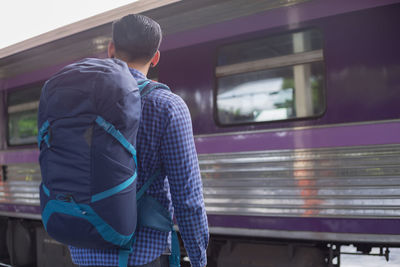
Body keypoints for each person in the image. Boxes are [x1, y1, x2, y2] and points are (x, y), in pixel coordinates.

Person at [68, 14, 209, 267]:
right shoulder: (167, 106)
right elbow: (188, 199)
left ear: (111, 49)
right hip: (142, 255)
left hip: (83, 251)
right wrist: (198, 259)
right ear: (155, 57)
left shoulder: (79, 102)